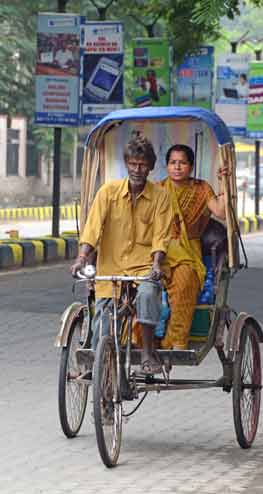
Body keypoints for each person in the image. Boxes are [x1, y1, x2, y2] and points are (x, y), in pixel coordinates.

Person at [71, 135, 172, 375]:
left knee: (148, 294)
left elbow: (161, 235)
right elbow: (93, 229)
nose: (138, 169)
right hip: (112, 269)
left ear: (150, 166)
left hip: (144, 268)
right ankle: (100, 375)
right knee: (102, 324)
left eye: (143, 164)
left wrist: (157, 264)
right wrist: (82, 258)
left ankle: (147, 353)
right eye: (133, 163)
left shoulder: (160, 196)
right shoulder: (108, 192)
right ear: (126, 163)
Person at [158, 144, 227, 350]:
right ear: (167, 166)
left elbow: (221, 212)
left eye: (182, 163)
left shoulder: (202, 189)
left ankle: (174, 341)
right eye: (173, 163)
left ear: (191, 166)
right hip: (159, 249)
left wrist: (224, 182)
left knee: (186, 280)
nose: (177, 167)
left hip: (189, 252)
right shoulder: (157, 190)